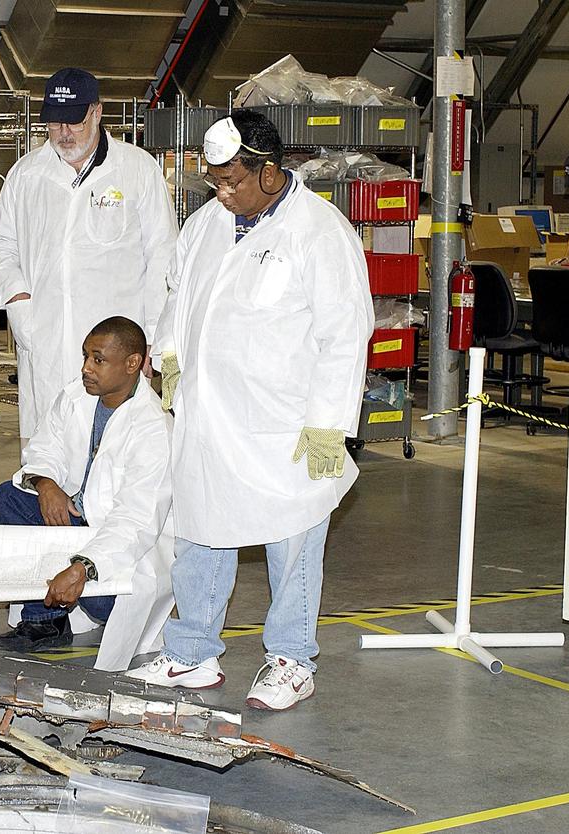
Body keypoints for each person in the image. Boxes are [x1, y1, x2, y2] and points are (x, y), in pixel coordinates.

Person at [127, 111, 373, 711]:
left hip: (286, 424)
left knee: (293, 536)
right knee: (201, 534)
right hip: (209, 417)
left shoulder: (319, 232)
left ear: (269, 171)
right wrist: (171, 359)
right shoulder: (205, 224)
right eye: (214, 180)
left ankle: (291, 659)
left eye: (232, 180)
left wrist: (329, 425)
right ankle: (191, 654)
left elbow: (345, 333)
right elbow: (177, 302)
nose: (223, 192)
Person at [0, 67, 176, 443]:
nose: (64, 134)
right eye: (54, 124)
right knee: (49, 450)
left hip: (117, 346)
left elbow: (163, 257)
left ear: (97, 112)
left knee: (117, 451)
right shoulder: (27, 174)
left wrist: (154, 337)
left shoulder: (136, 170)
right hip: (46, 336)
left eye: (73, 122)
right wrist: (19, 298)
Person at [0, 316, 174, 672]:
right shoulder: (77, 396)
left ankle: (79, 595)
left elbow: (135, 522)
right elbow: (43, 450)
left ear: (133, 364)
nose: (86, 368)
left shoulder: (153, 429)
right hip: (76, 520)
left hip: (121, 559)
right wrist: (47, 485)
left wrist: (83, 567)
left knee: (110, 598)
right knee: (6, 498)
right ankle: (45, 622)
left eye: (98, 360)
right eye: (86, 356)